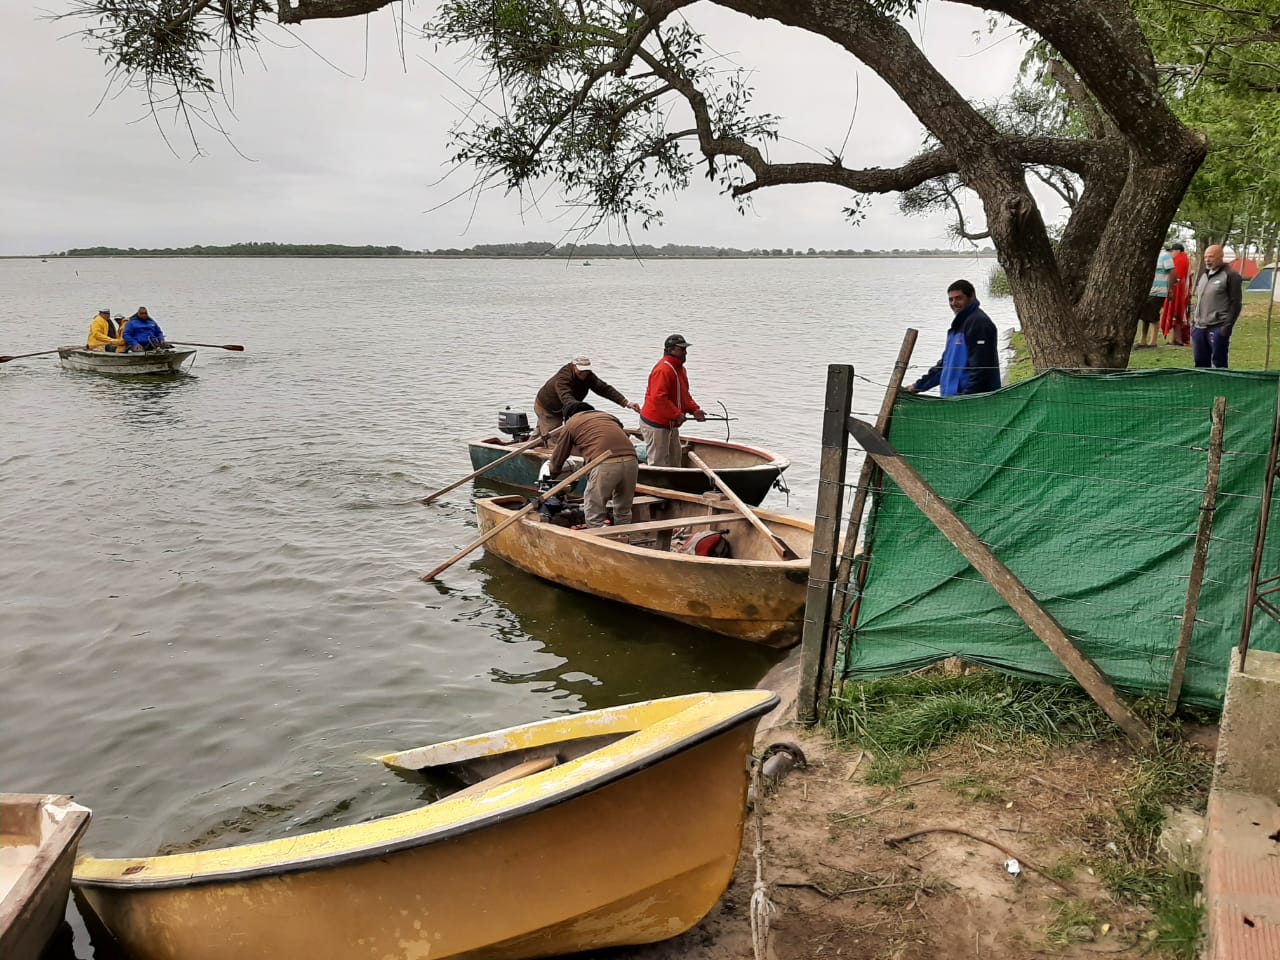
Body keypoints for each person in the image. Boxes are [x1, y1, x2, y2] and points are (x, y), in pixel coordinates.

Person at [546, 400, 639, 529]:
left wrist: (553, 474)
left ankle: (597, 537)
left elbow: (559, 455)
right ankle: (624, 534)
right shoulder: (608, 416)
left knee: (594, 510)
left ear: (568, 417)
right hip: (632, 460)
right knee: (623, 508)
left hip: (604, 462)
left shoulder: (571, 423)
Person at [907, 280, 1001, 396]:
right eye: (951, 299)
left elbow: (982, 370)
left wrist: (965, 399)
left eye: (958, 298)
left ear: (972, 296)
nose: (954, 303)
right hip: (953, 400)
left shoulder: (979, 323)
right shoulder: (957, 326)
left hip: (971, 401)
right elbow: (944, 365)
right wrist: (918, 386)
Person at [639, 334, 705, 467]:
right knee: (658, 463)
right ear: (671, 350)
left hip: (670, 424)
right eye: (682, 349)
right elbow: (658, 399)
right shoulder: (663, 369)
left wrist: (694, 410)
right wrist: (676, 414)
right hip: (656, 425)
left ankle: (674, 478)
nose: (685, 352)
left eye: (685, 349)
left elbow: (684, 395)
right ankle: (655, 479)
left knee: (675, 460)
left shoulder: (680, 369)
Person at [534, 357, 640, 438]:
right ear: (574, 366)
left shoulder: (588, 376)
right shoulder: (563, 378)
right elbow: (566, 396)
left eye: (586, 370)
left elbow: (604, 389)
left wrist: (626, 402)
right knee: (554, 437)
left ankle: (527, 448)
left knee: (539, 434)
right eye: (581, 370)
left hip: (563, 408)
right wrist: (578, 410)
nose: (584, 373)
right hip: (548, 408)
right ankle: (553, 458)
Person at [1192, 245, 1243, 369]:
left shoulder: (1231, 275)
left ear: (1221, 256)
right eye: (1205, 257)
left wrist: (1226, 327)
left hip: (1218, 327)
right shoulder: (1204, 275)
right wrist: (1193, 323)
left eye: (1211, 257)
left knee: (1219, 363)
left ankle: (1222, 381)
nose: (1207, 260)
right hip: (1199, 327)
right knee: (1200, 363)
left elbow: (1236, 303)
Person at [1137, 246, 1175, 348]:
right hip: (1148, 291)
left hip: (1159, 291)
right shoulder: (1149, 255)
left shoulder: (1165, 255)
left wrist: (1170, 289)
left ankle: (1153, 341)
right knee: (1145, 315)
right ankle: (1143, 340)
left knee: (1153, 315)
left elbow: (1172, 272)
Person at [1160, 242, 1191, 346]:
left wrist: (1170, 290)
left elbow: (1177, 278)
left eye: (1172, 251)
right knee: (1176, 313)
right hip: (1180, 292)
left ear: (1178, 251)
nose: (1171, 253)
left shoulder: (1180, 260)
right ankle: (1175, 339)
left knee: (1176, 313)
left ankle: (1178, 339)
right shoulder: (1184, 259)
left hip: (1178, 292)